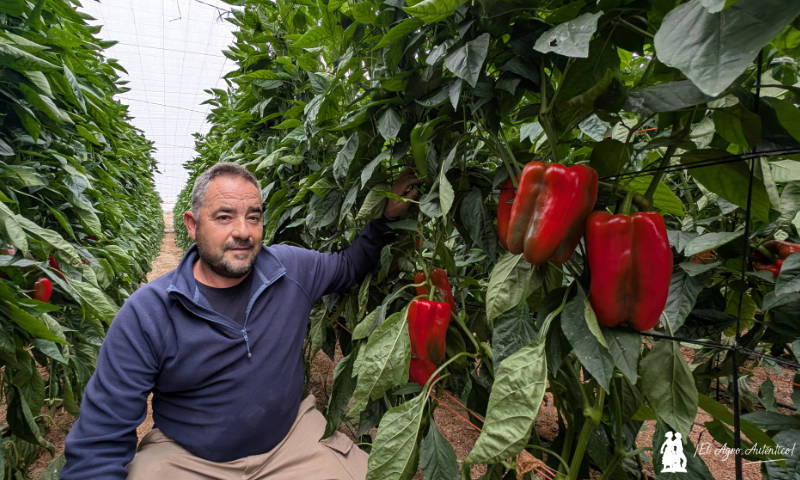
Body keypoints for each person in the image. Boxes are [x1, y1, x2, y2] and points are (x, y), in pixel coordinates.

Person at [61, 162, 419, 479]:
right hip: (188, 458)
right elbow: (101, 438)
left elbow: (348, 266)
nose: (243, 231)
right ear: (191, 224)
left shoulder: (289, 269)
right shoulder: (149, 312)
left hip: (291, 442)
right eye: (224, 216)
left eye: (254, 216)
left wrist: (387, 216)